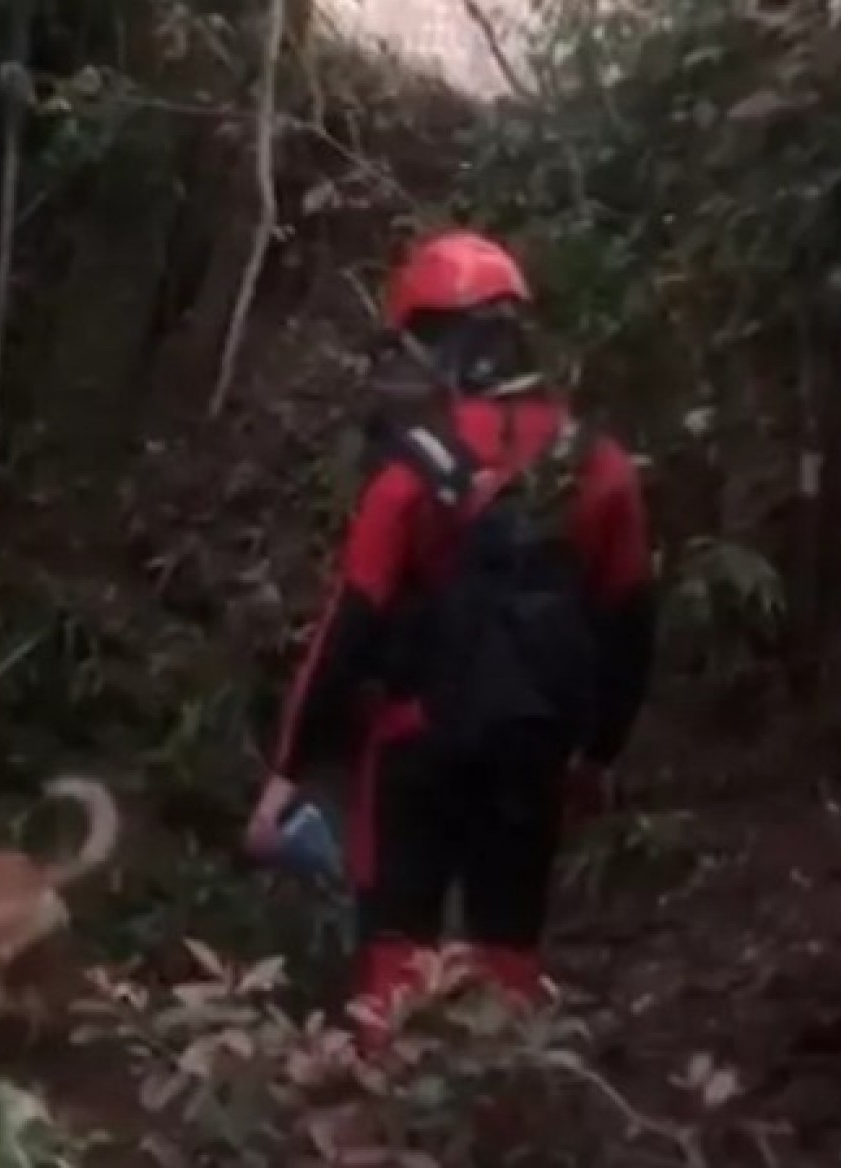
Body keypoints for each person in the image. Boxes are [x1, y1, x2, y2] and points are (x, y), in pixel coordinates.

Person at [243, 228, 656, 1027]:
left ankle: (387, 1124)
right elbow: (631, 622)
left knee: (397, 942)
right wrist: (599, 754)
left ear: (437, 344)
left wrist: (289, 769)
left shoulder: (410, 473)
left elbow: (349, 627)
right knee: (509, 942)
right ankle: (495, 1114)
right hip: (535, 744)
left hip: (414, 742)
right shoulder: (601, 466)